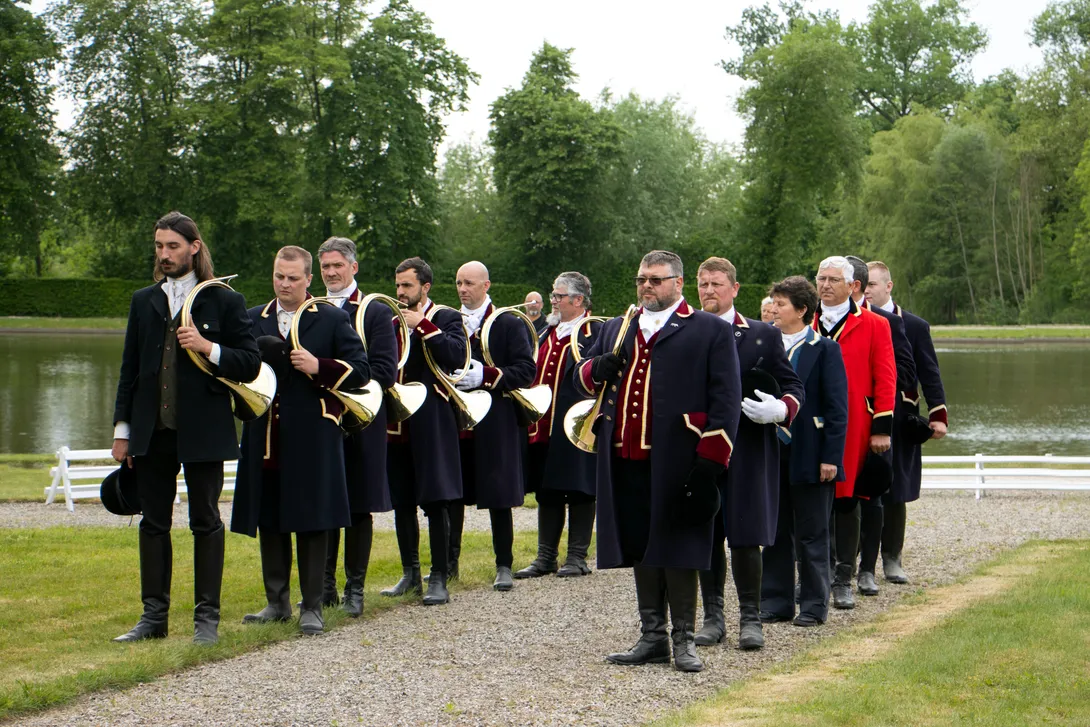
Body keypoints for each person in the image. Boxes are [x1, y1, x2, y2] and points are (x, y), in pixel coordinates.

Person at [577, 250, 741, 673]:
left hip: (682, 460)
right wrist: (599, 366)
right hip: (625, 456)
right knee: (641, 544)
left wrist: (710, 461)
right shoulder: (618, 327)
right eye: (641, 279)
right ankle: (652, 636)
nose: (647, 286)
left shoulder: (708, 330)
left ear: (678, 283)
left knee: (679, 546)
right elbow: (579, 375)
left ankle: (684, 638)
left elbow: (726, 401)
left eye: (656, 279)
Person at [111, 211, 260, 645]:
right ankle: (153, 619)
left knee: (206, 521)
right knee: (153, 523)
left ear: (194, 247)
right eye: (159, 246)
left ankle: (206, 621)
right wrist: (123, 430)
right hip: (151, 430)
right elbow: (129, 371)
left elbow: (250, 363)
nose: (164, 254)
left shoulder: (224, 300)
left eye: (172, 246)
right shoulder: (144, 300)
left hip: (205, 430)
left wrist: (208, 347)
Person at [232, 246, 370, 636]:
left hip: (313, 436)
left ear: (309, 279)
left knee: (312, 519)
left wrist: (319, 366)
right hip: (265, 436)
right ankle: (276, 602)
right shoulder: (252, 319)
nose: (285, 284)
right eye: (279, 276)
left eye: (293, 278)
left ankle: (312, 606)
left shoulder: (330, 317)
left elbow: (361, 370)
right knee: (270, 517)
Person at [694, 257, 803, 651]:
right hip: (700, 447)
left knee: (744, 537)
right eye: (703, 284)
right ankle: (713, 617)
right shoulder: (687, 331)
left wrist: (781, 409)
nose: (709, 291)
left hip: (749, 449)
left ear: (734, 289)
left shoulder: (762, 335)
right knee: (707, 533)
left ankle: (751, 618)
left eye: (717, 284)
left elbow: (794, 386)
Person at [760, 276, 848, 627]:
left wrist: (832, 457)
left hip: (812, 452)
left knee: (813, 533)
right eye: (774, 302)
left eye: (781, 304)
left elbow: (838, 407)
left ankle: (813, 604)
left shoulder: (825, 349)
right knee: (776, 530)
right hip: (770, 452)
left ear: (801, 310)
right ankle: (776, 601)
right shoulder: (764, 345)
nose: (774, 309)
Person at [317, 237, 398, 617]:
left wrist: (340, 383)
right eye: (325, 267)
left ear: (353, 267)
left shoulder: (375, 311)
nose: (331, 273)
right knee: (324, 501)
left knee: (360, 505)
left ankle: (355, 589)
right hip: (321, 418)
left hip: (362, 418)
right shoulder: (310, 308)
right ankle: (325, 587)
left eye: (337, 266)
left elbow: (384, 371)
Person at [811, 256, 896, 611]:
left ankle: (844, 576)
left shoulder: (875, 324)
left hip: (855, 424)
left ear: (852, 286)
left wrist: (881, 428)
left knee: (847, 500)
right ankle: (816, 575)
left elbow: (886, 377)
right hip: (809, 423)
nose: (826, 285)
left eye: (834, 279)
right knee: (812, 500)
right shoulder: (803, 319)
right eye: (821, 278)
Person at [381, 257, 467, 606]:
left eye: (407, 286)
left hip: (432, 418)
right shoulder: (389, 320)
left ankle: (440, 577)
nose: (400, 292)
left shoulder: (446, 317)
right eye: (398, 286)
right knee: (402, 500)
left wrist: (424, 326)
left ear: (425, 287)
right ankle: (410, 573)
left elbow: (458, 357)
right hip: (397, 420)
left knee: (436, 499)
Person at [450, 261, 537, 591]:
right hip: (458, 418)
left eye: (469, 283)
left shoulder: (508, 323)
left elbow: (525, 371)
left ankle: (504, 564)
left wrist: (486, 376)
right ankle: (448, 564)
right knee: (453, 493)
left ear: (486, 286)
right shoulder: (448, 321)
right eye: (459, 283)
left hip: (496, 418)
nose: (463, 289)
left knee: (498, 494)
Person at [865, 261, 948, 584]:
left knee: (896, 487)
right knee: (866, 485)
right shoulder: (855, 321)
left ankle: (892, 557)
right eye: (864, 284)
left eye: (873, 284)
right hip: (865, 413)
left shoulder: (913, 325)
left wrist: (938, 414)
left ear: (889, 286)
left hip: (900, 416)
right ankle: (858, 557)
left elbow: (930, 372)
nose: (867, 289)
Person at [516, 272, 602, 579]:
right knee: (547, 489)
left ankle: (577, 556)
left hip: (576, 423)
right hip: (544, 424)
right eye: (553, 295)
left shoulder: (594, 331)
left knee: (580, 488)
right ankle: (546, 556)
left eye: (558, 296)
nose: (552, 301)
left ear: (578, 300)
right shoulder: (547, 332)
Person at [846, 256, 916, 598]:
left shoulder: (886, 322)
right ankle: (832, 567)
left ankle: (871, 567)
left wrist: (875, 407)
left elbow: (903, 373)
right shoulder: (815, 319)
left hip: (874, 420)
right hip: (834, 424)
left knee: (873, 495)